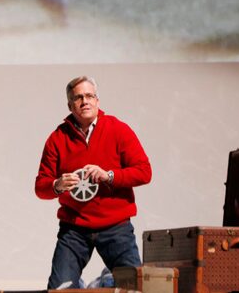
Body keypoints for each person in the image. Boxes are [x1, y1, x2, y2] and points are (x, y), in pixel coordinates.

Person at [35, 76, 152, 289]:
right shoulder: (57, 138)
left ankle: (105, 279)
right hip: (74, 228)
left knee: (137, 287)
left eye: (89, 96)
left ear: (98, 101)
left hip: (116, 226)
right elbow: (41, 187)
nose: (84, 101)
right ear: (70, 105)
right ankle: (89, 282)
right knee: (59, 288)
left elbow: (144, 172)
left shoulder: (118, 129)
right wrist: (58, 185)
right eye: (78, 98)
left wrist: (109, 176)